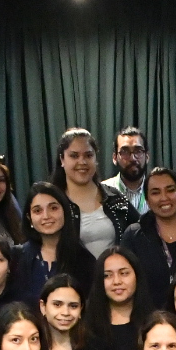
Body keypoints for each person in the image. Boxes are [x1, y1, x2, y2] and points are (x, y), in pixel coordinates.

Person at [86, 247, 155, 350]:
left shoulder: (154, 324)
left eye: (124, 273)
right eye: (107, 275)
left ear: (136, 276)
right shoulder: (87, 327)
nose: (116, 281)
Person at [120, 166, 176, 306]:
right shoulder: (133, 236)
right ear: (148, 201)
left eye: (170, 190)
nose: (164, 198)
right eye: (155, 192)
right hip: (148, 320)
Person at [53, 128, 138, 257]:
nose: (82, 162)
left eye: (88, 155)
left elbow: (141, 230)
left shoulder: (114, 197)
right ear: (62, 159)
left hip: (113, 276)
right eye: (74, 155)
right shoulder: (52, 201)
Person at [12, 181, 98, 303]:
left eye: (53, 208)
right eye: (37, 211)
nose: (46, 216)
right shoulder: (17, 257)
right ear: (29, 218)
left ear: (65, 211)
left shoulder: (85, 260)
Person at [102, 126, 150, 216]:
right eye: (125, 152)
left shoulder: (157, 191)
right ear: (115, 158)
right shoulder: (102, 191)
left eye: (138, 151)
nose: (132, 158)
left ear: (147, 156)